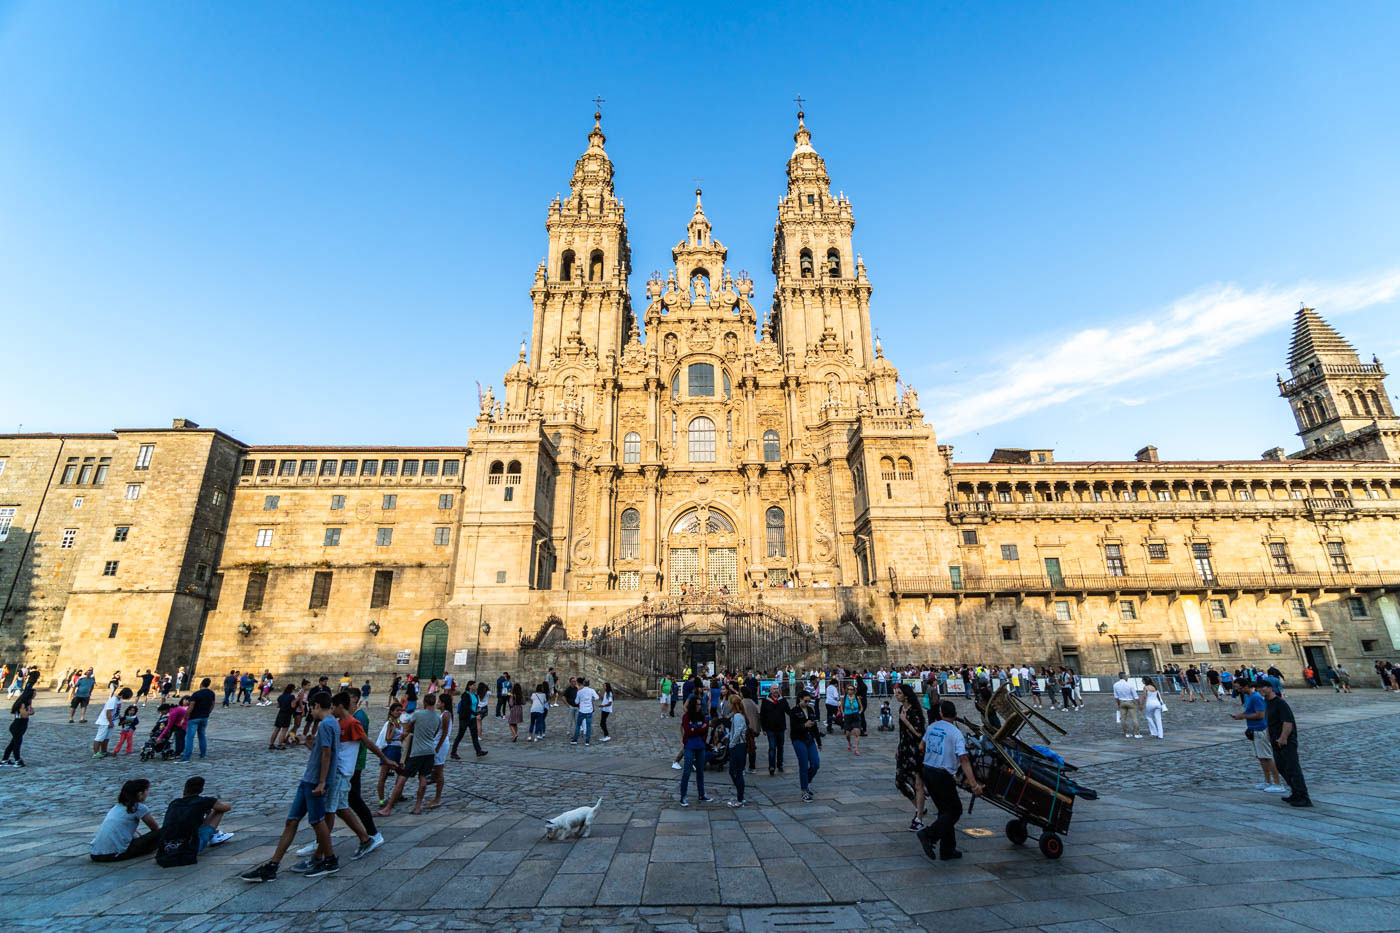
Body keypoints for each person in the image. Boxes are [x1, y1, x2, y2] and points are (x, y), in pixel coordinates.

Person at [239, 692, 342, 881]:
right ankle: (273, 865)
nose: (311, 710)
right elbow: (321, 751)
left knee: (317, 821)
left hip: (315, 780)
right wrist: (306, 743)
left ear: (316, 705)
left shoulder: (327, 724)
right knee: (292, 820)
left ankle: (330, 860)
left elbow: (327, 753)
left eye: (311, 707)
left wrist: (321, 782)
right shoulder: (331, 723)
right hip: (308, 778)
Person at [292, 692, 389, 863]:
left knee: (331, 811)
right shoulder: (337, 724)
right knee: (340, 808)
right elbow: (326, 751)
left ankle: (321, 852)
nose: (331, 710)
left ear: (339, 706)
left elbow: (367, 744)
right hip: (338, 772)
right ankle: (363, 839)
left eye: (333, 707)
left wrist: (386, 760)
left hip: (341, 773)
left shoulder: (351, 723)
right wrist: (306, 743)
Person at [916, 701, 984, 862]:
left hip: (928, 770)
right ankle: (929, 834)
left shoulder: (932, 727)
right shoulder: (955, 733)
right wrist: (974, 784)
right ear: (954, 715)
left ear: (940, 714)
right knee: (955, 811)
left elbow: (921, 747)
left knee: (944, 810)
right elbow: (964, 759)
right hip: (942, 775)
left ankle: (947, 849)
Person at [376, 690, 441, 817]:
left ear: (424, 702)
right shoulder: (437, 718)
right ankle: (417, 807)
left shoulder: (418, 714)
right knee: (422, 778)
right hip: (430, 751)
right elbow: (434, 734)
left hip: (417, 751)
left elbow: (408, 728)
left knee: (402, 778)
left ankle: (387, 808)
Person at [155, 776, 233, 867]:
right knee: (218, 811)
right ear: (201, 790)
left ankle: (213, 833)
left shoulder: (174, 803)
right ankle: (215, 835)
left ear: (185, 789)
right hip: (189, 847)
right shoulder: (204, 801)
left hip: (166, 847)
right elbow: (226, 807)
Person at [1258, 680, 1310, 807]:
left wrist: (1283, 737)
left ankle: (1304, 797)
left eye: (1263, 687)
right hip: (1275, 740)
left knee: (1293, 768)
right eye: (1259, 689)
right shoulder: (1267, 703)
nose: (1261, 690)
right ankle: (1295, 793)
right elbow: (1269, 721)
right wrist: (1269, 736)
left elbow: (1288, 722)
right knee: (1282, 767)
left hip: (1285, 741)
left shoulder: (1280, 703)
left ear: (1270, 688)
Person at [1229, 679, 1286, 793]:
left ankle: (1278, 783)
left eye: (1239, 688)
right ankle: (1267, 781)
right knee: (1261, 757)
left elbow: (1260, 715)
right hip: (1254, 729)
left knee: (1267, 757)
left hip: (1260, 729)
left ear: (1246, 686)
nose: (1238, 690)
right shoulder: (1250, 697)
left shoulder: (1256, 697)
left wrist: (1242, 716)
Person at [91, 779, 162, 862]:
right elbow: (155, 828)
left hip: (95, 854)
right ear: (140, 794)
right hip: (113, 855)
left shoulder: (116, 807)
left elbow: (128, 829)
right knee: (162, 832)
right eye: (146, 790)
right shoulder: (138, 808)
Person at [678, 695, 712, 807]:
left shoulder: (701, 715)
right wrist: (700, 729)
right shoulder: (686, 717)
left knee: (700, 772)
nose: (699, 706)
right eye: (697, 704)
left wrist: (696, 729)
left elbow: (705, 729)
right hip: (690, 746)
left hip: (700, 746)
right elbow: (688, 732)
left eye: (700, 704)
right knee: (687, 772)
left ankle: (701, 794)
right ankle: (683, 796)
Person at [789, 691, 822, 801]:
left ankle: (806, 781)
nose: (807, 703)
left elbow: (815, 727)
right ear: (800, 699)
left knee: (815, 764)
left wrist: (819, 742)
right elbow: (793, 727)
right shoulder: (794, 711)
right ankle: (804, 790)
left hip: (810, 739)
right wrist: (804, 725)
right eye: (805, 701)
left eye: (809, 701)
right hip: (798, 739)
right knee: (803, 765)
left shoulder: (810, 710)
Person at [375, 702, 404, 805]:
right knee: (383, 776)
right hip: (390, 749)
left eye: (400, 710)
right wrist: (393, 732)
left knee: (401, 773)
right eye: (397, 710)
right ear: (392, 711)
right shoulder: (391, 723)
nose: (399, 712)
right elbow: (388, 738)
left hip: (397, 749)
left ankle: (397, 795)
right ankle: (382, 800)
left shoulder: (398, 721)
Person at [183, 678, 217, 761]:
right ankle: (203, 754)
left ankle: (186, 757)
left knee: (189, 737)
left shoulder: (196, 694)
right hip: (204, 717)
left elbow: (191, 706)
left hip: (194, 717)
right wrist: (208, 712)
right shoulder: (211, 693)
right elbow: (212, 704)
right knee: (202, 736)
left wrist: (185, 717)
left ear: (201, 684)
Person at [428, 692, 452, 808]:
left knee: (439, 770)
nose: (437, 703)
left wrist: (437, 747)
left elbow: (445, 732)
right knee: (436, 769)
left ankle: (437, 798)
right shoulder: (443, 714)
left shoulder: (446, 715)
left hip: (441, 745)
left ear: (443, 703)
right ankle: (433, 778)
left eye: (439, 702)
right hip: (437, 743)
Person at [94, 687, 131, 758]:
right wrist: (110, 722)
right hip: (105, 721)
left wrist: (120, 718)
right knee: (100, 737)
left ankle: (104, 751)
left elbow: (116, 711)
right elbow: (108, 712)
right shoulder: (113, 700)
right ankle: (96, 753)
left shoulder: (119, 701)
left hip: (113, 721)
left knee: (107, 738)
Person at [726, 695, 749, 807]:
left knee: (737, 772)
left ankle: (740, 797)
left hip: (738, 746)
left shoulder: (738, 716)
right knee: (734, 771)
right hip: (738, 745)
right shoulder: (737, 716)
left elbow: (738, 732)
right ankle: (740, 794)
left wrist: (731, 743)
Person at [3, 689, 35, 767]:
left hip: (22, 725)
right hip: (17, 725)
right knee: (17, 744)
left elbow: (31, 711)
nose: (35, 695)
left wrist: (30, 711)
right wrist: (30, 712)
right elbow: (24, 714)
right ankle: (17, 760)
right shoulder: (22, 703)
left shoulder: (27, 702)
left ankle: (5, 759)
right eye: (34, 694)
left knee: (13, 743)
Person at [1112, 673, 1143, 739]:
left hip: (1121, 702)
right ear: (1125, 677)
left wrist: (1118, 704)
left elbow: (1116, 697)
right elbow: (1136, 696)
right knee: (1134, 718)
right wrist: (1139, 704)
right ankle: (1136, 733)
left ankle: (1127, 733)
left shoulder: (1115, 685)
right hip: (1130, 702)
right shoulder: (1129, 685)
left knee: (1123, 719)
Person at [573, 677, 599, 745]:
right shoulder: (592, 690)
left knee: (578, 725)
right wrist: (591, 699)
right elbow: (597, 697)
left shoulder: (580, 691)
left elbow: (576, 701)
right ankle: (587, 741)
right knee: (588, 726)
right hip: (589, 710)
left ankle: (575, 740)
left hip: (581, 710)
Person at [841, 682, 863, 755]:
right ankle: (849, 743)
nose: (850, 691)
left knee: (857, 733)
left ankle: (856, 749)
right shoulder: (844, 697)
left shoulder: (857, 697)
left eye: (852, 689)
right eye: (849, 689)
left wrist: (859, 712)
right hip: (847, 716)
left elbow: (861, 706)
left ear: (854, 690)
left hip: (856, 715)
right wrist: (843, 713)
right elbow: (841, 706)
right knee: (847, 734)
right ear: (847, 690)